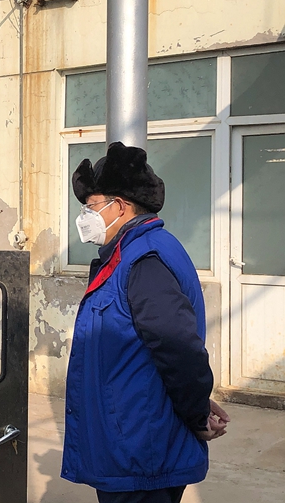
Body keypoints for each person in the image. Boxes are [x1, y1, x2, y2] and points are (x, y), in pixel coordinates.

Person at [61, 142, 230, 503]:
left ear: (120, 206)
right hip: (133, 446)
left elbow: (179, 349)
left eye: (91, 206)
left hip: (141, 456)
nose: (84, 216)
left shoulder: (144, 260)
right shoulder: (130, 254)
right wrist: (197, 404)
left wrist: (197, 414)